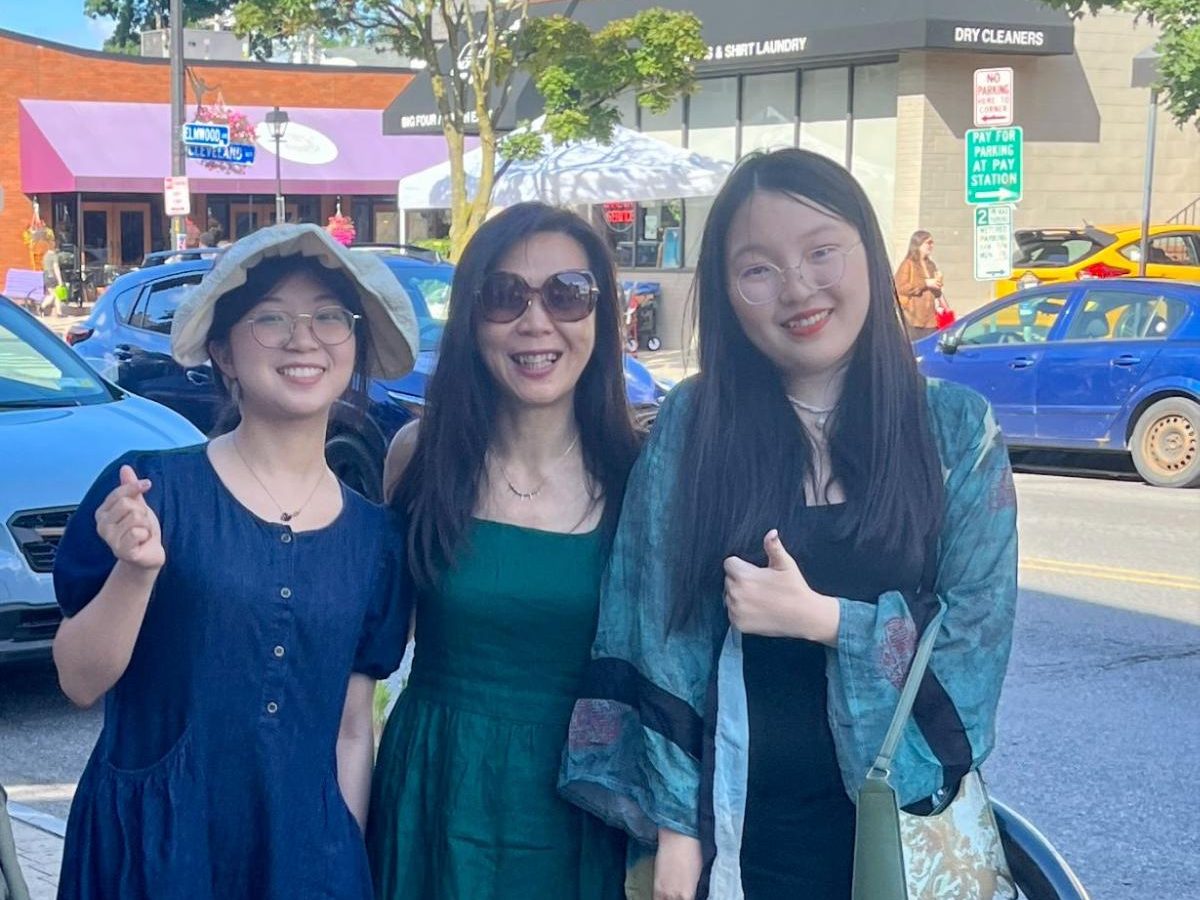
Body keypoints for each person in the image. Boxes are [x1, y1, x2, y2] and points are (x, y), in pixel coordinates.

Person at [560, 149, 1017, 899]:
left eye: (821, 251)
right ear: (726, 293)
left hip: (902, 842)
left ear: (868, 250)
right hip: (742, 835)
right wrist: (678, 829)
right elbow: (653, 630)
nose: (798, 288)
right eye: (758, 268)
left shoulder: (955, 432)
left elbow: (976, 643)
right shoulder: (694, 427)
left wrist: (829, 621)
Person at [51, 224, 418, 899]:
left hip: (300, 859)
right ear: (222, 350)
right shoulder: (151, 492)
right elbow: (78, 680)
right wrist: (135, 572)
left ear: (356, 344)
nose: (302, 338)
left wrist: (343, 861)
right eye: (270, 317)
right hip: (151, 855)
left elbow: (349, 731)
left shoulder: (376, 541)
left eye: (329, 318)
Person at [366, 203, 639, 900]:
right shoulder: (418, 456)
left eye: (568, 294)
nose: (536, 322)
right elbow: (362, 646)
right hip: (434, 786)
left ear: (601, 316)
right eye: (504, 295)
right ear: (470, 319)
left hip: (578, 799)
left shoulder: (639, 473)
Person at [894, 229, 945, 340]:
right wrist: (925, 283)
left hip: (931, 320)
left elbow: (936, 292)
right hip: (913, 318)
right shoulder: (908, 264)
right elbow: (900, 287)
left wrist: (946, 307)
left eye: (932, 243)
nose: (931, 246)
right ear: (918, 244)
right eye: (928, 242)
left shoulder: (931, 265)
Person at [40, 237, 65, 318]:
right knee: (53, 295)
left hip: (46, 276)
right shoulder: (54, 256)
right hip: (52, 277)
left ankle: (59, 312)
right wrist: (60, 281)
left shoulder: (45, 255)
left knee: (56, 295)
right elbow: (56, 268)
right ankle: (42, 306)